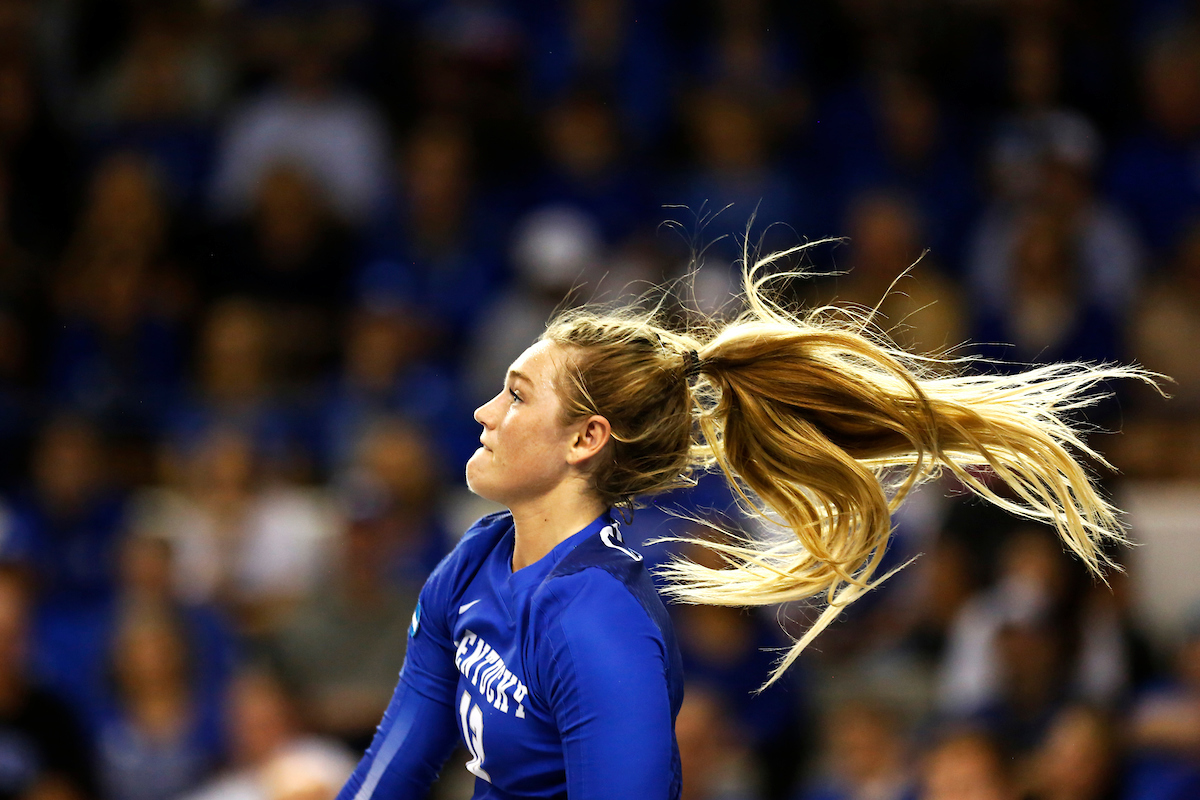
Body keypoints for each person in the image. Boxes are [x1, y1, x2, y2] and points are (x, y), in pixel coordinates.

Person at [335, 252, 1154, 800]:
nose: (484, 412)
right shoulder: (474, 564)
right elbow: (389, 772)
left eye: (516, 395)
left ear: (587, 440)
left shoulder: (598, 623)